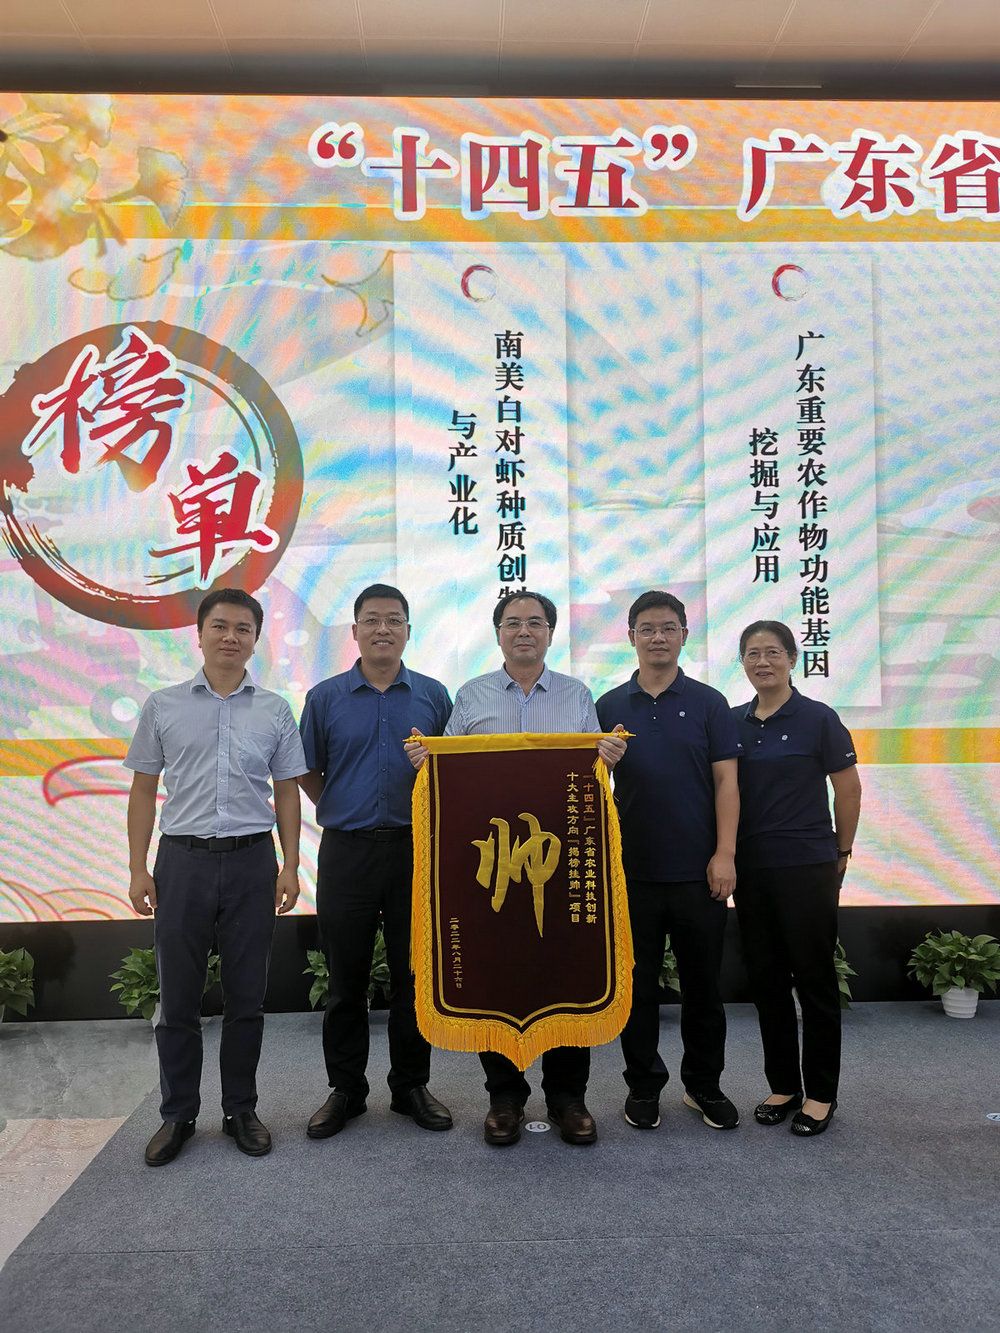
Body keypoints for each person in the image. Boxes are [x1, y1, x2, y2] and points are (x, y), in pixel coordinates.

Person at [407, 591, 626, 1147]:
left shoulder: (577, 695)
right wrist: (428, 761)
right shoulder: (471, 695)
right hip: (492, 866)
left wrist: (607, 760)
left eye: (535, 622)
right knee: (495, 970)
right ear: (498, 633)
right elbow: (449, 770)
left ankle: (568, 1097)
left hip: (561, 861)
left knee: (568, 967)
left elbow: (591, 778)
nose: (523, 631)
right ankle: (504, 1096)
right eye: (513, 623)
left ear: (550, 632)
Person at [125, 588, 307, 1166]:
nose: (231, 637)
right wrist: (137, 867)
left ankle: (240, 1110)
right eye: (220, 626)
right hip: (182, 862)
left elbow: (286, 791)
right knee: (178, 999)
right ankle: (178, 1114)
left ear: (255, 639)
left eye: (243, 629)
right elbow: (143, 790)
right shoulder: (163, 705)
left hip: (253, 861)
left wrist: (290, 864)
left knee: (246, 997)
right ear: (199, 634)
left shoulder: (274, 709)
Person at [299, 584, 454, 1140]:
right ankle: (346, 1089)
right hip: (347, 851)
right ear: (355, 631)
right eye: (371, 619)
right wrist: (345, 807)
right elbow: (308, 770)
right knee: (347, 978)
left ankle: (411, 1086)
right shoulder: (325, 698)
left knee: (415, 976)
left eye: (394, 620)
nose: (382, 629)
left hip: (418, 850)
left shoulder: (434, 696)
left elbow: (453, 771)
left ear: (409, 630)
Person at [595, 590, 741, 1133]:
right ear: (631, 636)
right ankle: (643, 1087)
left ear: (684, 634)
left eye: (668, 628)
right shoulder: (608, 706)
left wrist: (725, 854)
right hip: (631, 873)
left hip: (700, 872)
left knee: (704, 988)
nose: (658, 637)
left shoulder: (709, 702)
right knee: (637, 990)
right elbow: (587, 787)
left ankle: (704, 1085)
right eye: (647, 628)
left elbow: (727, 783)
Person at [732, 619, 861, 1137]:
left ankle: (821, 1094)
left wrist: (842, 851)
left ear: (791, 659)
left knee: (814, 981)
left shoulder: (818, 718)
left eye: (773, 652)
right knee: (766, 981)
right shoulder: (734, 722)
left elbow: (848, 789)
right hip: (751, 868)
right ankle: (783, 1086)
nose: (762, 662)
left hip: (807, 866)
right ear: (742, 662)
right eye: (752, 653)